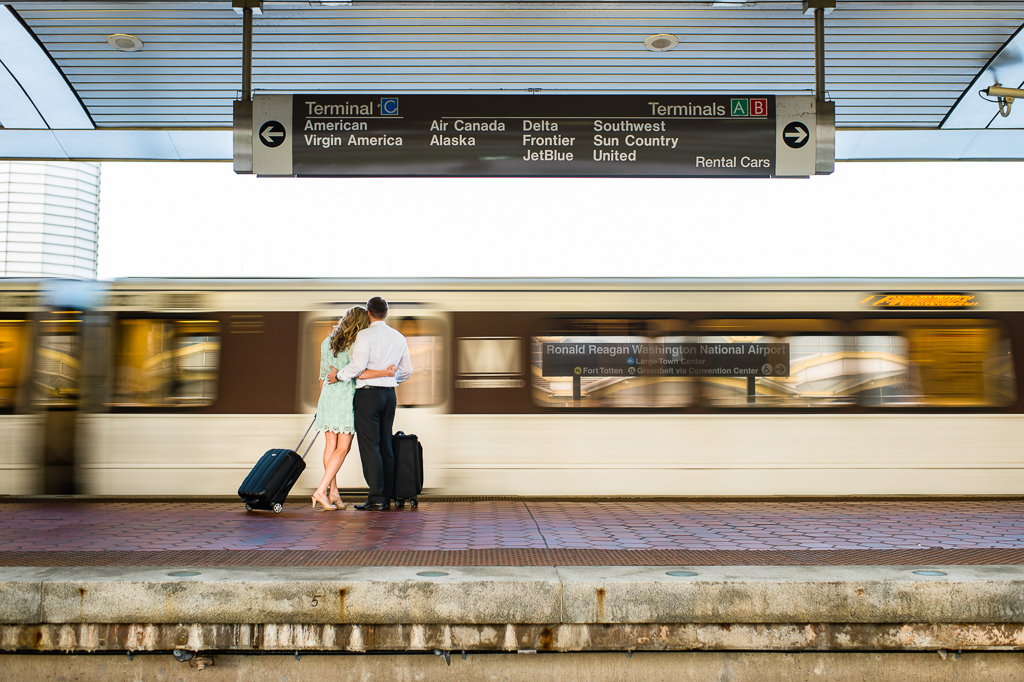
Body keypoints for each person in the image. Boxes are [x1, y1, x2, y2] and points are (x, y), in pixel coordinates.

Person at [327, 296, 412, 511]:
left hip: (368, 396)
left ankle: (376, 498)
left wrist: (338, 376)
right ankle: (386, 495)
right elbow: (407, 371)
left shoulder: (365, 335)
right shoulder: (399, 337)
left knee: (370, 447)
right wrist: (390, 380)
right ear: (386, 313)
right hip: (389, 396)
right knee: (385, 444)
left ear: (368, 313)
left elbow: (357, 367)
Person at [311, 306, 396, 512]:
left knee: (330, 446)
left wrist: (321, 403)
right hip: (345, 398)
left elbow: (323, 376)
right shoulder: (354, 343)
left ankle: (334, 493)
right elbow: (359, 372)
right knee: (344, 448)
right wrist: (385, 372)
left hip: (328, 397)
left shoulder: (326, 341)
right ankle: (321, 491)